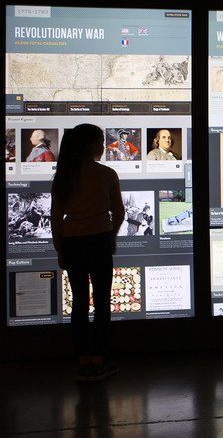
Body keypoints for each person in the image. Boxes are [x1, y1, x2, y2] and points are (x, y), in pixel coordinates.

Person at [51, 123, 125, 381]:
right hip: (99, 242)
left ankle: (83, 361)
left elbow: (55, 217)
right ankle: (100, 360)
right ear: (89, 145)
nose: (104, 146)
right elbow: (119, 212)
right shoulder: (106, 174)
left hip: (73, 243)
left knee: (80, 304)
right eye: (100, 141)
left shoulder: (64, 175)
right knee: (102, 303)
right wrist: (111, 235)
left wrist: (60, 248)